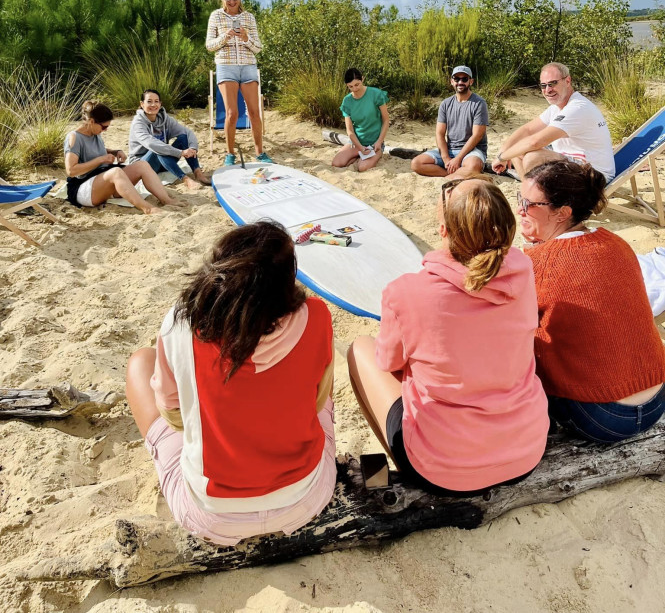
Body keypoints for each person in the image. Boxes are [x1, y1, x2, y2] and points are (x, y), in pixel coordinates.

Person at [125, 221, 336, 545]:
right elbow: (318, 402)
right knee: (319, 386)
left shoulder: (181, 325)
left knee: (141, 362)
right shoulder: (317, 316)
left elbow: (172, 414)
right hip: (305, 497)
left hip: (212, 514)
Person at [347, 178, 549, 495]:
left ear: (443, 230)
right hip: (525, 453)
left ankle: (382, 477)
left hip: (444, 469)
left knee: (360, 349)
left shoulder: (406, 291)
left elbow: (388, 361)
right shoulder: (522, 269)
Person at [519, 160, 665, 443]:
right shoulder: (614, 242)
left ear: (562, 212)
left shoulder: (537, 264)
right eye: (519, 200)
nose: (520, 210)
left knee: (521, 342)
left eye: (529, 204)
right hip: (656, 400)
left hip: (603, 417)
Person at [491, 62, 615, 182]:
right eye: (543, 85)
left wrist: (502, 157)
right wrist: (503, 151)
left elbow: (535, 142)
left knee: (533, 157)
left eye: (553, 83)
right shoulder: (557, 108)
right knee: (517, 150)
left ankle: (535, 196)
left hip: (594, 175)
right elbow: (527, 130)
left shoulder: (578, 108)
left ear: (567, 81)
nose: (548, 90)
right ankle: (528, 193)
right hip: (575, 166)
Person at [64, 101, 179, 215]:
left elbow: (92, 150)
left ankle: (166, 200)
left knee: (142, 165)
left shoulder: (94, 133)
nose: (105, 130)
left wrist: (115, 152)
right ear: (91, 121)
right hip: (83, 187)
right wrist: (101, 159)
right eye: (104, 127)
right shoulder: (74, 137)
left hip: (102, 180)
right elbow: (71, 170)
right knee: (116, 172)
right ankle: (147, 208)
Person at [206, 0, 271, 165]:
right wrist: (225, 36)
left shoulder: (249, 17)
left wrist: (245, 37)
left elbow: (258, 48)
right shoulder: (216, 16)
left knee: (254, 112)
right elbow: (209, 46)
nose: (232, 1)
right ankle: (230, 154)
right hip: (226, 66)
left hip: (248, 65)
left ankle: (260, 152)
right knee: (231, 113)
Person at [410, 65, 488, 179]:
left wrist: (458, 159)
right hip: (450, 148)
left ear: (471, 81)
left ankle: (453, 175)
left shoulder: (479, 103)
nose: (460, 82)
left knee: (473, 166)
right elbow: (440, 133)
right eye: (457, 79)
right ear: (452, 81)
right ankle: (451, 175)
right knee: (416, 163)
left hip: (472, 151)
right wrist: (446, 158)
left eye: (464, 79)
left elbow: (477, 135)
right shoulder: (445, 104)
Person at [127, 90, 211, 191]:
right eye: (149, 101)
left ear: (160, 103)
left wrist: (193, 147)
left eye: (156, 101)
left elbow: (187, 132)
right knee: (158, 148)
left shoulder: (165, 119)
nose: (153, 104)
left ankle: (197, 173)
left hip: (163, 162)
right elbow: (152, 144)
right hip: (141, 165)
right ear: (142, 104)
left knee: (183, 138)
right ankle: (185, 179)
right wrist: (180, 152)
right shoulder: (138, 123)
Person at [332, 68, 389, 173]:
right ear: (347, 85)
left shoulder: (376, 94)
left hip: (374, 143)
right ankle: (358, 155)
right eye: (350, 86)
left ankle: (371, 155)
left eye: (357, 84)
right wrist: (361, 148)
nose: (354, 89)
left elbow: (386, 120)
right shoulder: (347, 101)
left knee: (362, 168)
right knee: (337, 163)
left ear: (362, 79)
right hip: (356, 143)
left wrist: (379, 142)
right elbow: (350, 131)